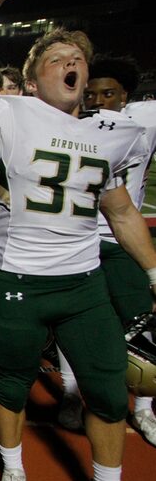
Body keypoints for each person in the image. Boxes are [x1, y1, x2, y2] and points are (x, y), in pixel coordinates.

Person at [0, 0, 156, 481]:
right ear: (35, 77)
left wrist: (154, 269)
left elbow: (119, 211)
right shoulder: (11, 116)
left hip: (84, 281)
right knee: (11, 382)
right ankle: (13, 466)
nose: (72, 63)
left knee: (110, 390)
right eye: (58, 57)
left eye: (79, 58)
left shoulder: (108, 134)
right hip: (22, 280)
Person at [56, 55, 156, 445]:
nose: (98, 100)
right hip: (79, 237)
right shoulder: (69, 125)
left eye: (108, 93)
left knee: (141, 325)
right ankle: (69, 392)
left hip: (121, 239)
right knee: (73, 322)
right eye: (91, 92)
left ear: (126, 95)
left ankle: (145, 409)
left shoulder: (142, 122)